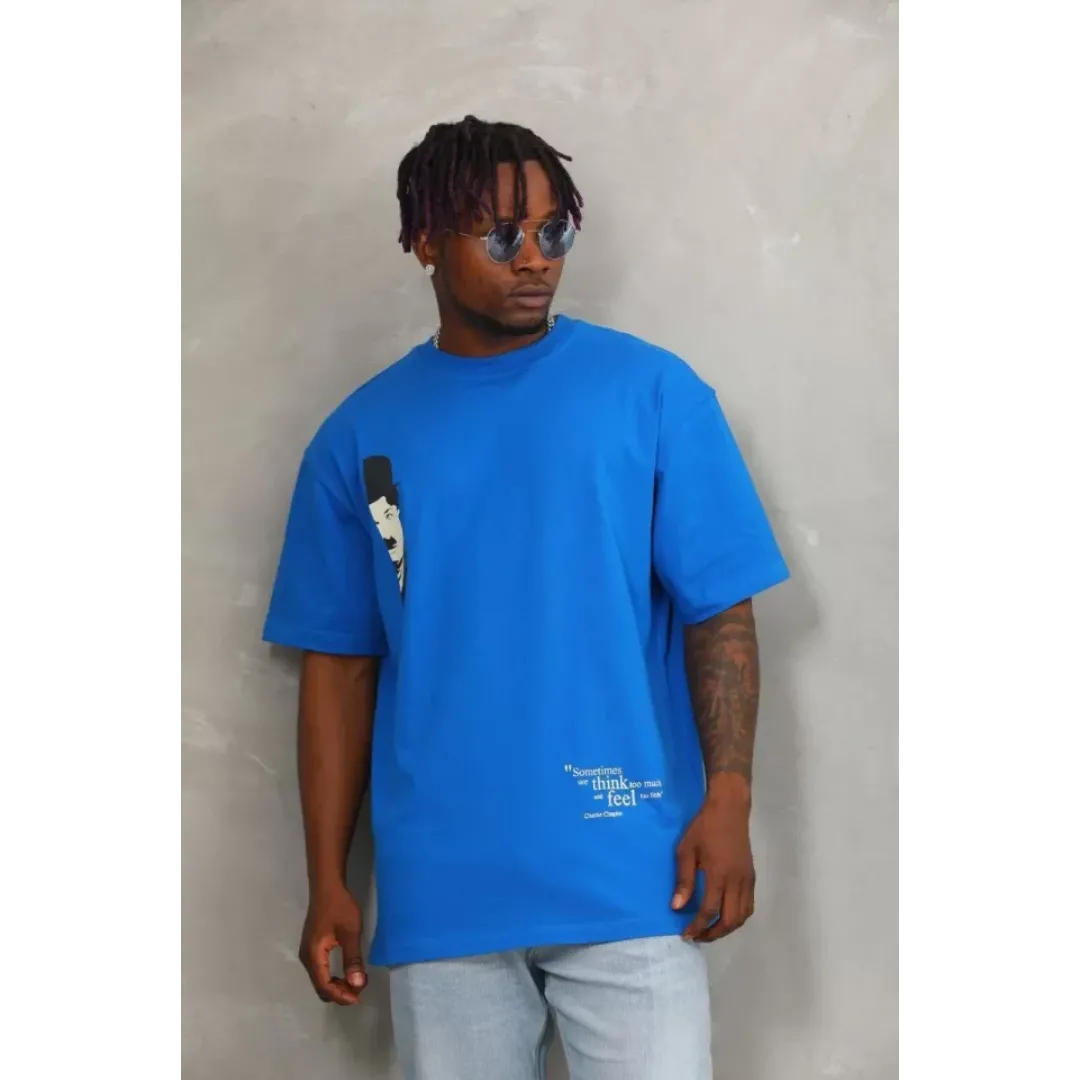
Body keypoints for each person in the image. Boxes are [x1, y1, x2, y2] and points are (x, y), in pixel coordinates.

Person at [263, 115, 790, 1080]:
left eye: (554, 231)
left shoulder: (653, 394)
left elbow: (720, 610)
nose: (537, 258)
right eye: (502, 235)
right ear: (427, 242)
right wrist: (328, 879)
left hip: (635, 877)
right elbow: (339, 667)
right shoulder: (359, 438)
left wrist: (730, 797)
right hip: (444, 892)